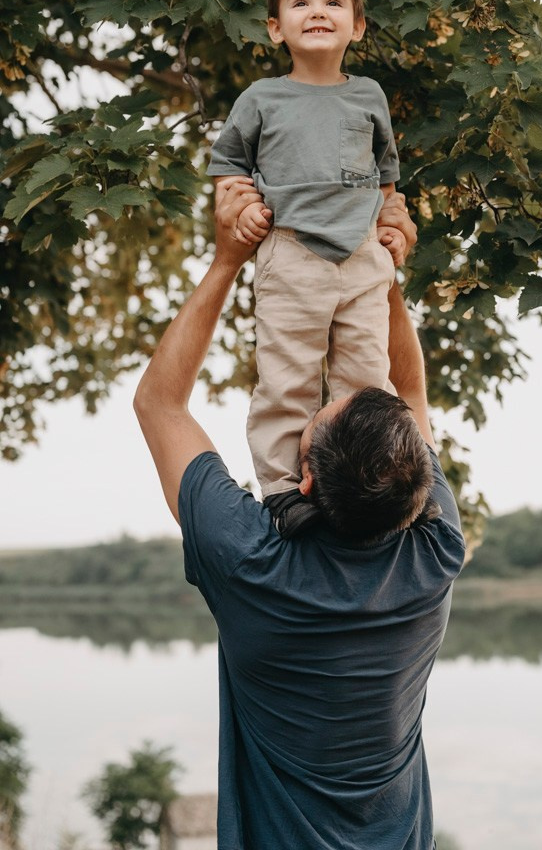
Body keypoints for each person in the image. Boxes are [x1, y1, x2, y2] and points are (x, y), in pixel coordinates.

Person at [133, 179, 466, 850]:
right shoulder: (434, 552)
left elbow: (160, 404)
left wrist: (228, 258)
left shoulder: (256, 564)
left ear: (305, 477)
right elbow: (412, 389)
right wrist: (382, 273)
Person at [207, 0, 406, 535]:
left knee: (369, 381)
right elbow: (228, 167)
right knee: (286, 380)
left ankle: (379, 481)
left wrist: (391, 221)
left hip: (362, 256)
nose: (317, 10)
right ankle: (283, 493)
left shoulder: (369, 95)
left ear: (357, 26)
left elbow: (386, 176)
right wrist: (239, 207)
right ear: (276, 28)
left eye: (333, 2)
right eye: (300, 2)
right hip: (292, 254)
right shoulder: (263, 98)